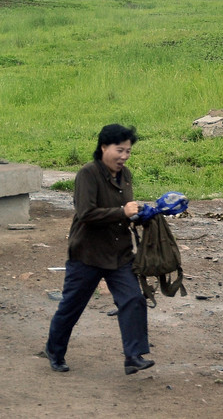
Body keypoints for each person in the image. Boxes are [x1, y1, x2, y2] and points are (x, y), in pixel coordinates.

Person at [44, 123, 154, 375]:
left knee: (133, 299)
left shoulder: (125, 175)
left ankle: (133, 356)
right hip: (87, 254)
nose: (124, 156)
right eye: (119, 150)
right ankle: (55, 350)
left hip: (119, 253)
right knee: (72, 306)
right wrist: (122, 212)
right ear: (103, 147)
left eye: (128, 151)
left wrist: (144, 214)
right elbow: (85, 213)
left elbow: (126, 210)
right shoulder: (88, 174)